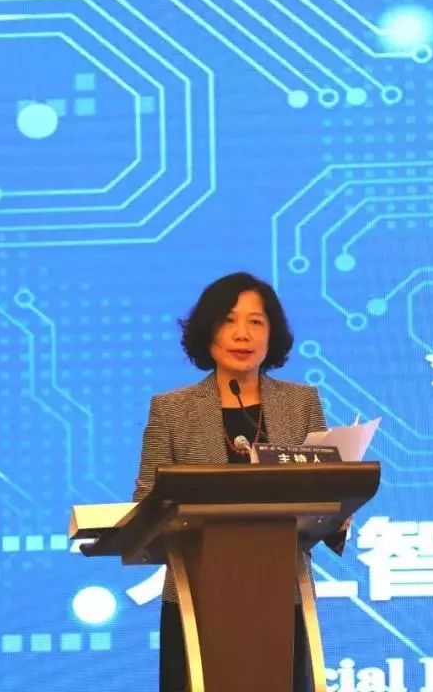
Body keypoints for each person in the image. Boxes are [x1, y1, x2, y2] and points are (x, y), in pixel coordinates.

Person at [132, 271, 348, 692]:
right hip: (197, 598)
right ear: (208, 331)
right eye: (228, 320)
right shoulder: (171, 410)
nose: (242, 334)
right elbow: (146, 501)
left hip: (281, 594)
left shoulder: (301, 402)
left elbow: (323, 488)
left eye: (256, 322)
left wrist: (337, 513)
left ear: (272, 335)